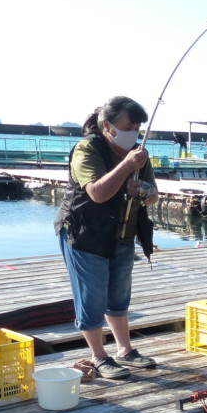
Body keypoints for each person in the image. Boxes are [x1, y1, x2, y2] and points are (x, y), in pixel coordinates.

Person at [53, 95, 159, 380]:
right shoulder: (87, 149)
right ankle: (98, 356)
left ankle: (125, 349)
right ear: (107, 125)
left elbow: (153, 197)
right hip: (85, 234)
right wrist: (127, 167)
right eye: (128, 127)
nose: (133, 133)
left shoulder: (138, 153)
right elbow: (97, 193)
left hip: (123, 234)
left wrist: (143, 189)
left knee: (119, 295)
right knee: (92, 297)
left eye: (137, 128)